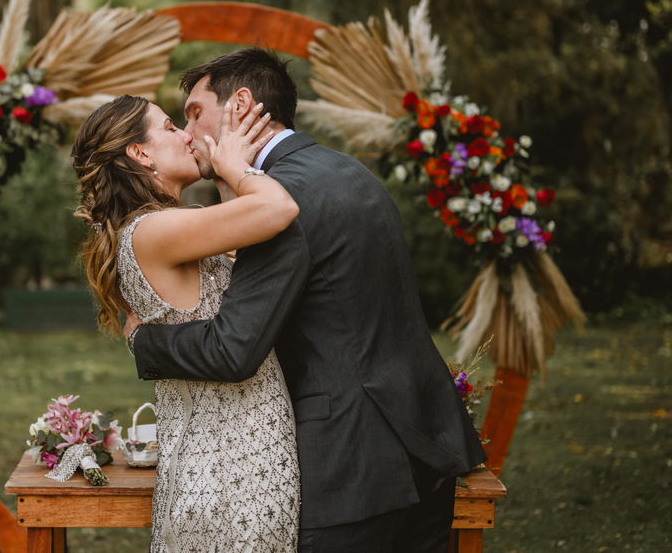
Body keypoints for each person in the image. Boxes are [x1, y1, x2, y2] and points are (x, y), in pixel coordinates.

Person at [125, 48, 488, 552]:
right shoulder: (348, 171)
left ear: (240, 106)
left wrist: (144, 342)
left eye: (193, 113)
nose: (187, 134)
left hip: (352, 470)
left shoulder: (279, 202)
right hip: (425, 441)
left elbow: (233, 350)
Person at [70, 94, 302, 551]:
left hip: (224, 454)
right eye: (170, 127)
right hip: (231, 465)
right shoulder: (155, 231)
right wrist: (235, 164)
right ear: (140, 153)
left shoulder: (175, 227)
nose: (186, 134)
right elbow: (278, 210)